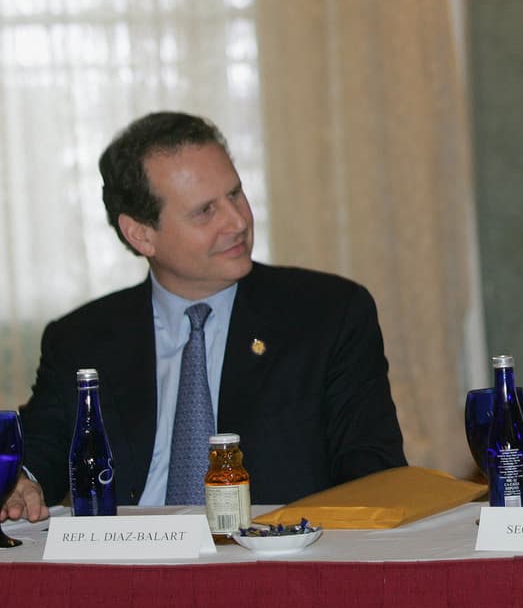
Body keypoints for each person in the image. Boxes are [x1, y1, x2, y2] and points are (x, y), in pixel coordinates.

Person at [2, 111, 406, 523]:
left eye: (235, 194)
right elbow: (42, 447)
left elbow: (373, 470)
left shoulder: (327, 315)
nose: (238, 221)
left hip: (270, 564)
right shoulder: (82, 338)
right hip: (126, 564)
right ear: (141, 234)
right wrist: (22, 480)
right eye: (205, 211)